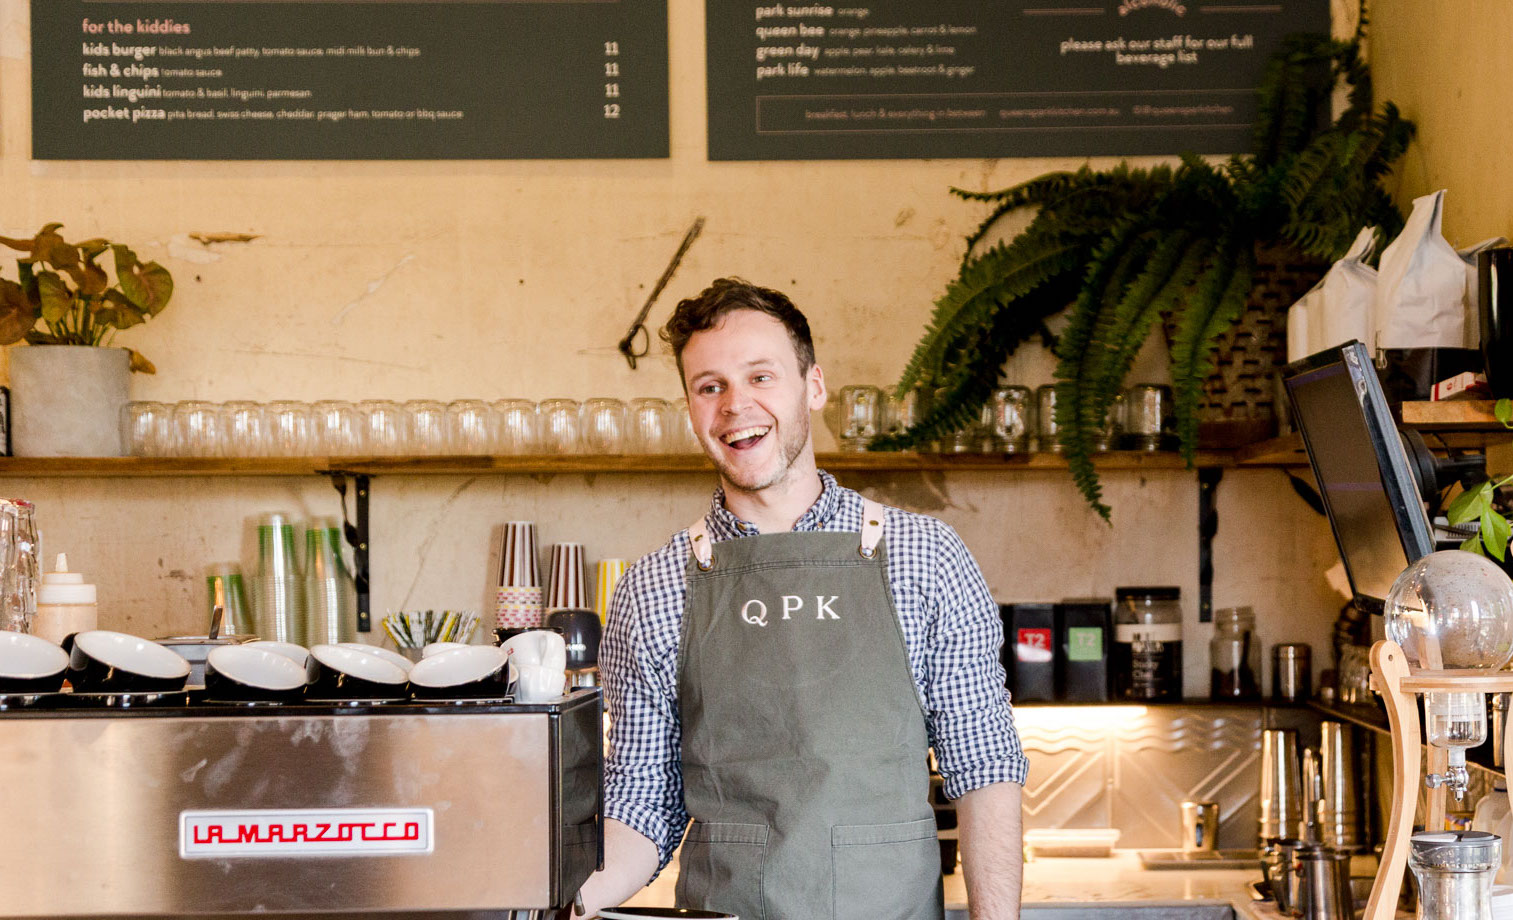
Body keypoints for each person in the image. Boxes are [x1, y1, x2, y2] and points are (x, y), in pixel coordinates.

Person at [578, 278, 1028, 920]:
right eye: (710, 387)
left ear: (813, 387)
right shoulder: (653, 588)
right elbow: (644, 801)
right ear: (691, 408)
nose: (736, 405)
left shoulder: (927, 557)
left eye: (760, 377)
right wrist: (563, 903)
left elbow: (984, 765)